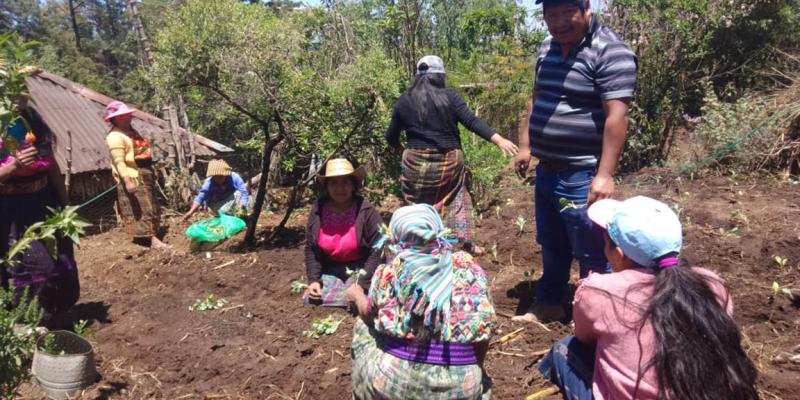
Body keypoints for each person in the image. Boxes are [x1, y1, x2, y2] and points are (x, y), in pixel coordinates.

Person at [539, 196, 758, 400]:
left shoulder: (601, 291)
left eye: (606, 243)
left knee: (564, 349)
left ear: (619, 255)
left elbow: (585, 339)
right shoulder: (712, 284)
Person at [513, 0, 638, 322]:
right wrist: (526, 145)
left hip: (581, 172)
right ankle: (550, 303)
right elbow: (537, 98)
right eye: (551, 14)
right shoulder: (547, 48)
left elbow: (616, 117)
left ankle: (593, 317)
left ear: (586, 8)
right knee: (551, 241)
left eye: (566, 12)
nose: (558, 22)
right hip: (547, 169)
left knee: (592, 248)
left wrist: (605, 174)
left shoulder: (611, 51)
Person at [347, 204, 496, 400]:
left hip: (395, 386)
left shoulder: (390, 271)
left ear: (396, 236)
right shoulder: (466, 266)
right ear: (437, 231)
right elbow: (484, 329)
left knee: (363, 327)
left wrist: (358, 295)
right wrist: (474, 370)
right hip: (463, 389)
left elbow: (369, 315)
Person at [385, 55, 518, 253]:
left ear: (417, 77)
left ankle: (416, 246)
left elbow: (391, 137)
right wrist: (498, 139)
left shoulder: (404, 101)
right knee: (456, 199)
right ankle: (461, 245)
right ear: (440, 76)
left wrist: (401, 149)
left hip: (415, 163)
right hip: (448, 162)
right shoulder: (450, 98)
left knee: (416, 205)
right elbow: (471, 121)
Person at [0, 110, 80, 327]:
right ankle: (33, 322)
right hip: (11, 213)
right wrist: (14, 167)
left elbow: (51, 166)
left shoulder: (30, 120)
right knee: (37, 267)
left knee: (60, 260)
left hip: (44, 203)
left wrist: (66, 204)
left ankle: (58, 316)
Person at [304, 158, 383, 307]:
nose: (339, 188)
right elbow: (311, 248)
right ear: (327, 187)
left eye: (345, 182)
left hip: (361, 268)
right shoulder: (318, 209)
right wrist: (313, 280)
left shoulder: (366, 210)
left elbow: (379, 248)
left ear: (353, 185)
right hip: (330, 269)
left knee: (361, 294)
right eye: (334, 183)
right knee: (311, 298)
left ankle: (358, 296)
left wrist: (362, 283)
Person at [104, 100, 169, 249]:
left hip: (144, 171)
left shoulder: (131, 132)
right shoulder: (115, 136)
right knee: (143, 206)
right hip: (133, 174)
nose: (128, 117)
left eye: (127, 114)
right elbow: (119, 161)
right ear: (116, 118)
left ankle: (151, 234)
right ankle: (151, 239)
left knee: (152, 203)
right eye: (123, 115)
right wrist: (127, 181)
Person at [182, 159, 249, 220]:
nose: (218, 179)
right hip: (216, 205)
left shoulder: (234, 177)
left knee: (238, 194)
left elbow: (244, 193)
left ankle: (236, 215)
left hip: (230, 201)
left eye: (220, 177)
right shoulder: (209, 183)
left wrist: (242, 205)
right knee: (224, 210)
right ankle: (225, 215)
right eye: (216, 177)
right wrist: (190, 212)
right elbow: (200, 198)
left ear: (225, 174)